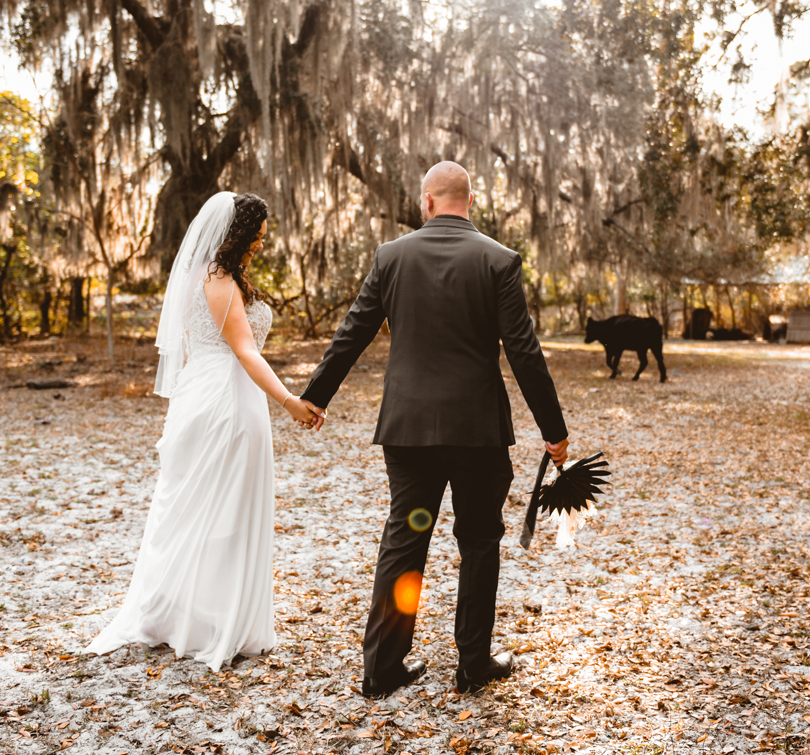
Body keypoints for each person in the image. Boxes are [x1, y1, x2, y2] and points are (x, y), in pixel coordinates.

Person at [300, 162, 570, 696]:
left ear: (427, 202)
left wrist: (315, 397)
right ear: (468, 202)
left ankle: (381, 669)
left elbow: (353, 331)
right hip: (477, 434)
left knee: (406, 539)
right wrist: (553, 429)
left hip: (409, 430)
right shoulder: (498, 259)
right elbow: (524, 351)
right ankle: (473, 664)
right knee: (478, 541)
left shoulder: (392, 256)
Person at [85, 192, 322, 671]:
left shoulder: (209, 276)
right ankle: (210, 622)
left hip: (206, 394)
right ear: (233, 235)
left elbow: (198, 351)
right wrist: (289, 402)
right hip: (227, 401)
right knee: (222, 510)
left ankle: (198, 612)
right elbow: (246, 351)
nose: (258, 245)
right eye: (253, 237)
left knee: (207, 508)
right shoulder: (218, 280)